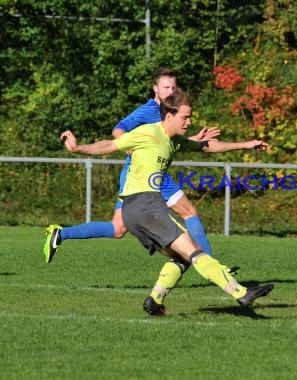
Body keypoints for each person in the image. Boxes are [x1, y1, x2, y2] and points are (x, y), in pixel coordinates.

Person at [59, 88, 274, 312]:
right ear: (169, 116)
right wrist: (77, 148)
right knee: (194, 250)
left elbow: (205, 146)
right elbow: (109, 144)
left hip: (134, 212)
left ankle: (156, 300)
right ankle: (241, 293)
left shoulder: (174, 140)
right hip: (146, 205)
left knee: (182, 257)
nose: (189, 122)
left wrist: (245, 144)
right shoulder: (148, 132)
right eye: (185, 117)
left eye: (190, 117)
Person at [44, 68, 232, 273]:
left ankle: (61, 234)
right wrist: (131, 148)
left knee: (125, 227)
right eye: (166, 87)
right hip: (141, 175)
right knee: (179, 215)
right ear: (155, 89)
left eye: (173, 87)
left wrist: (193, 140)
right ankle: (212, 267)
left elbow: (171, 141)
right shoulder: (147, 111)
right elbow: (118, 130)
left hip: (157, 175)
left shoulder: (175, 111)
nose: (170, 91)